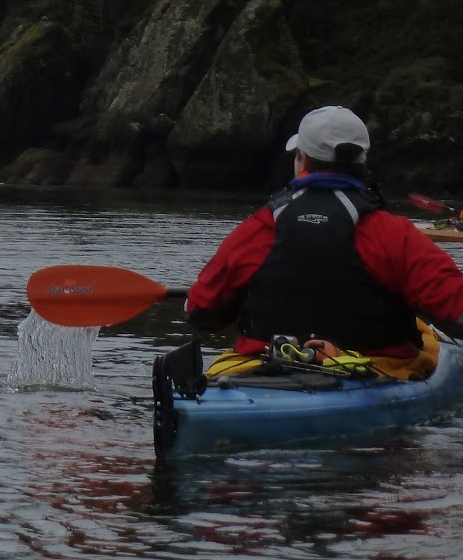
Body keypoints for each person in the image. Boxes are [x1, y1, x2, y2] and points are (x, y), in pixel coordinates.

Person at [184, 105, 463, 369]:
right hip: (373, 372)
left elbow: (199, 312)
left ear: (302, 159)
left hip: (266, 370)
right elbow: (457, 310)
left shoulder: (257, 229)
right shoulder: (394, 234)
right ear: (363, 160)